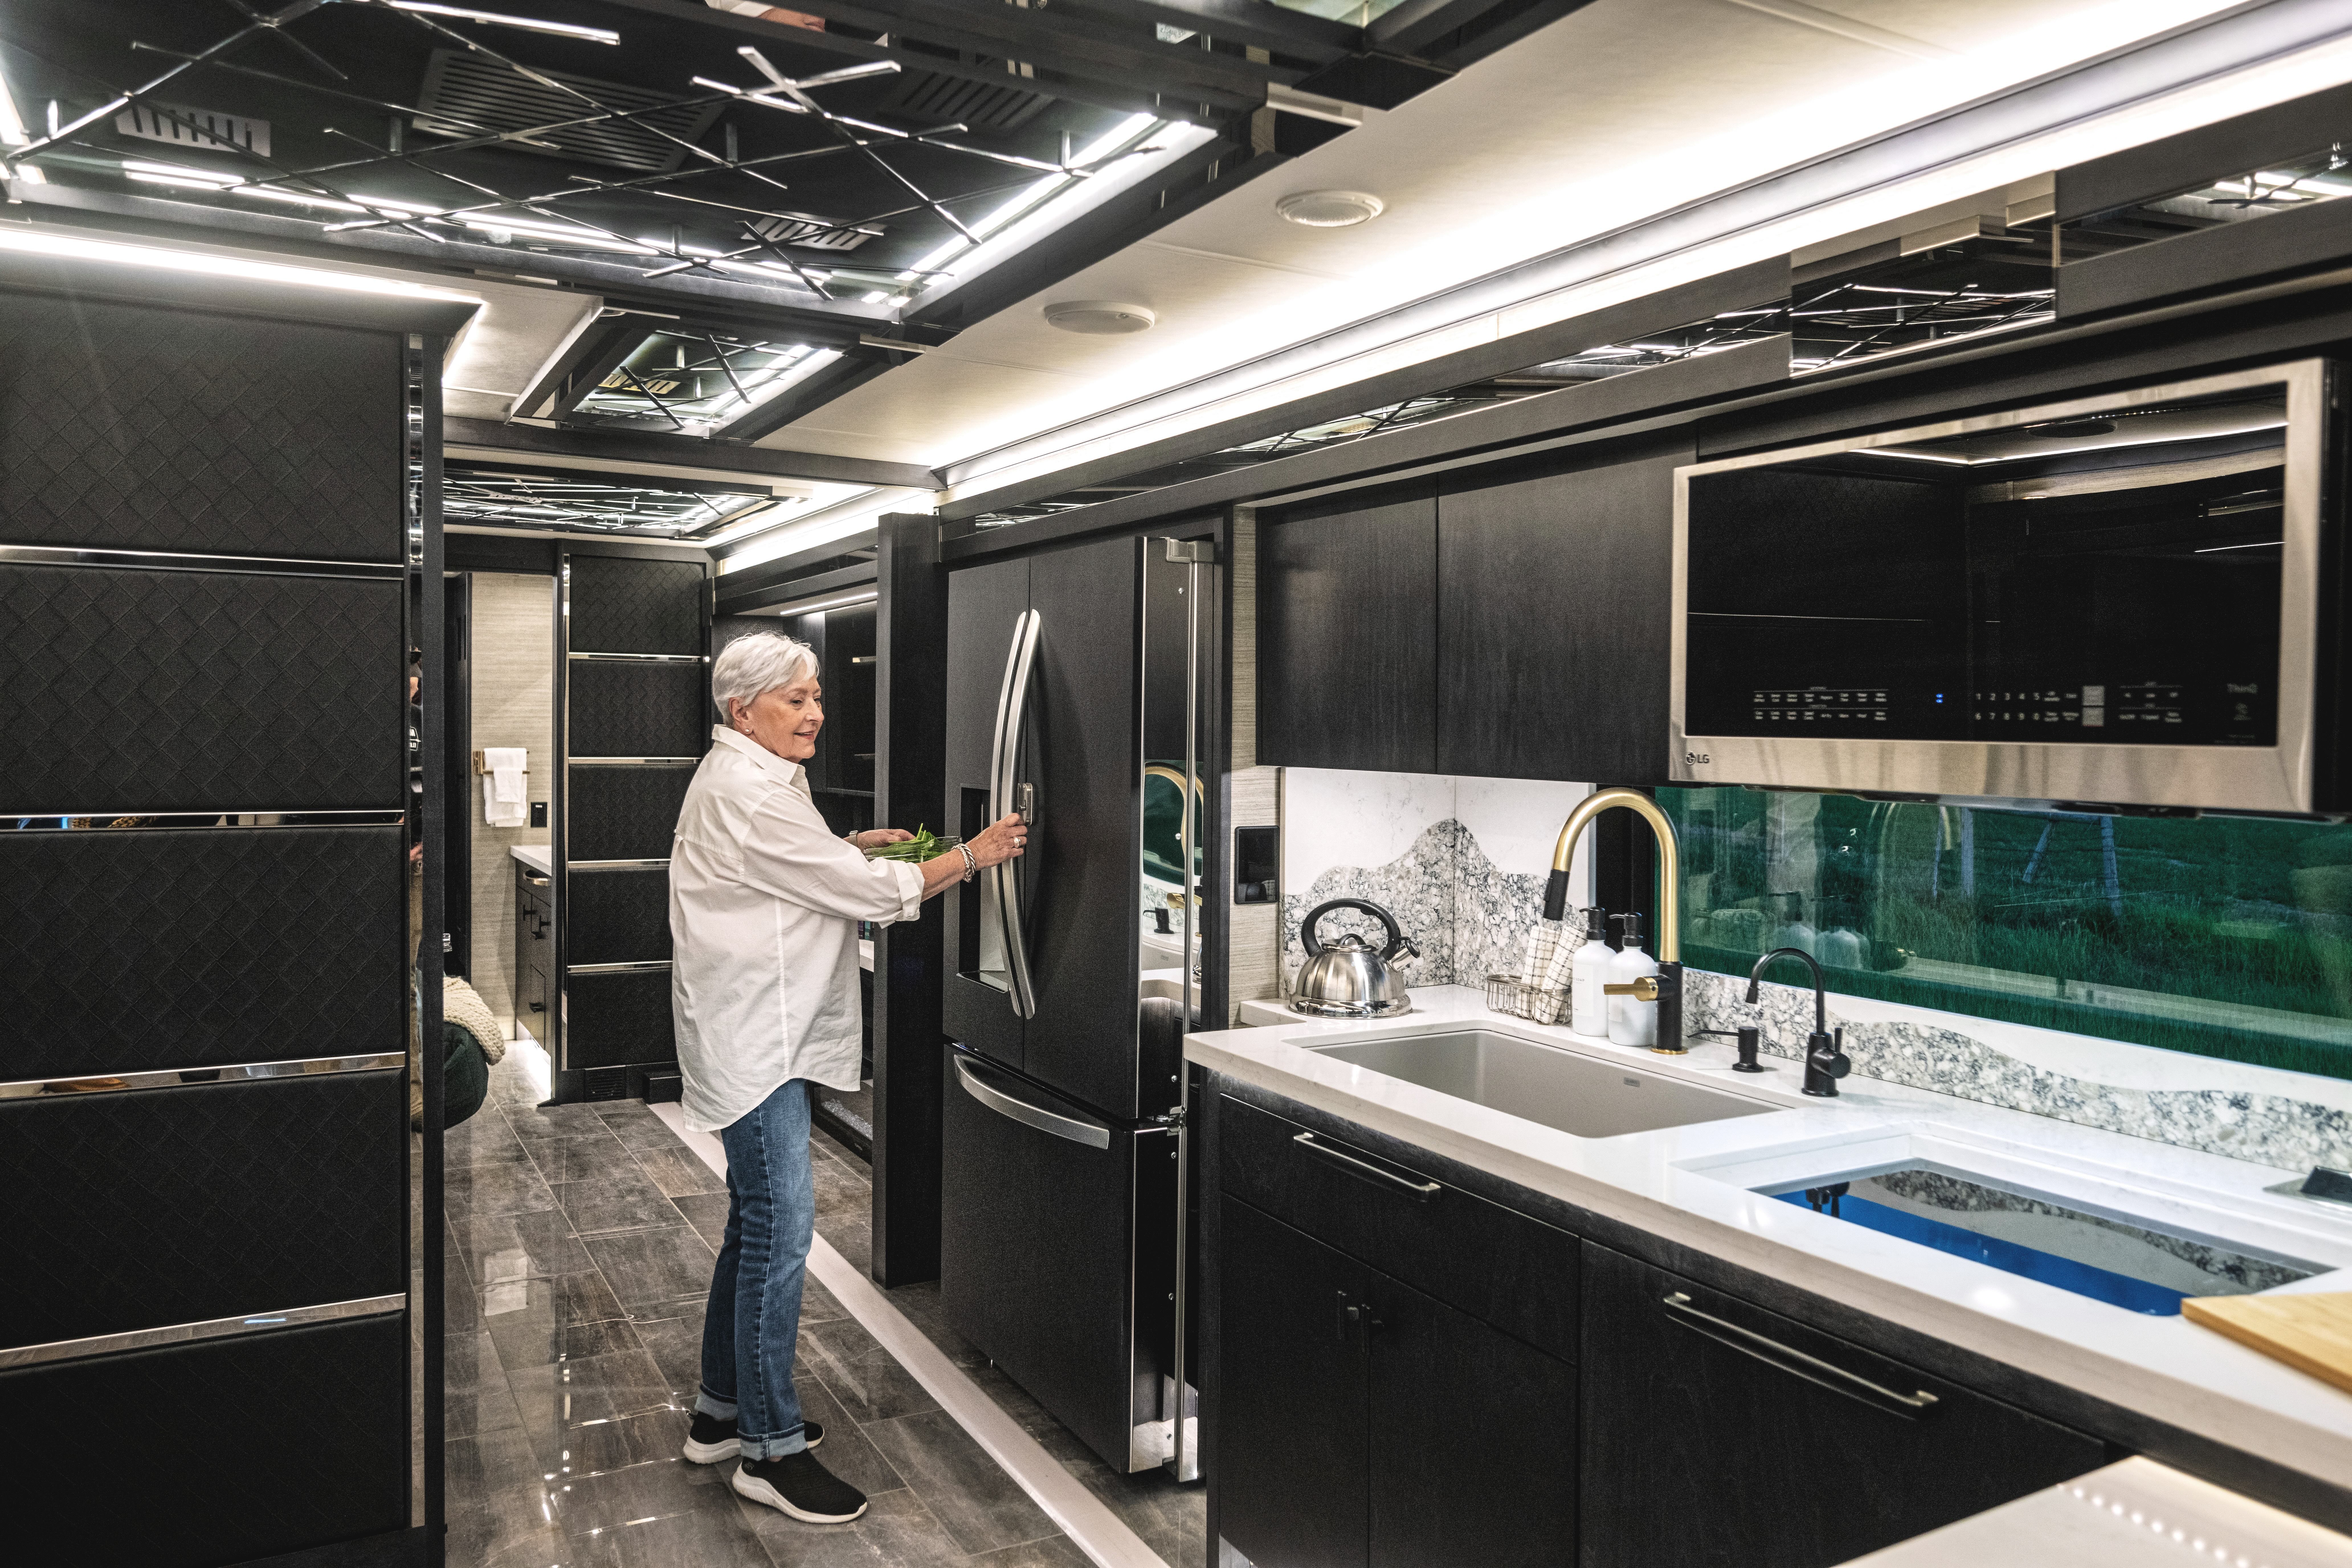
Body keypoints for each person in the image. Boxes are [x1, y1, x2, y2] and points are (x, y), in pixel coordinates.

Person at [670, 631, 1025, 1525]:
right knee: (779, 1236)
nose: (816, 715)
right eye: (796, 700)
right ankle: (769, 1452)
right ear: (743, 709)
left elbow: (798, 866)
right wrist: (975, 853)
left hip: (753, 1033)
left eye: (818, 696)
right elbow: (868, 895)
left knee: (754, 1226)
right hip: (757, 1043)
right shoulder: (753, 794)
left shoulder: (754, 779)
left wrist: (849, 844)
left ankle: (721, 1414)